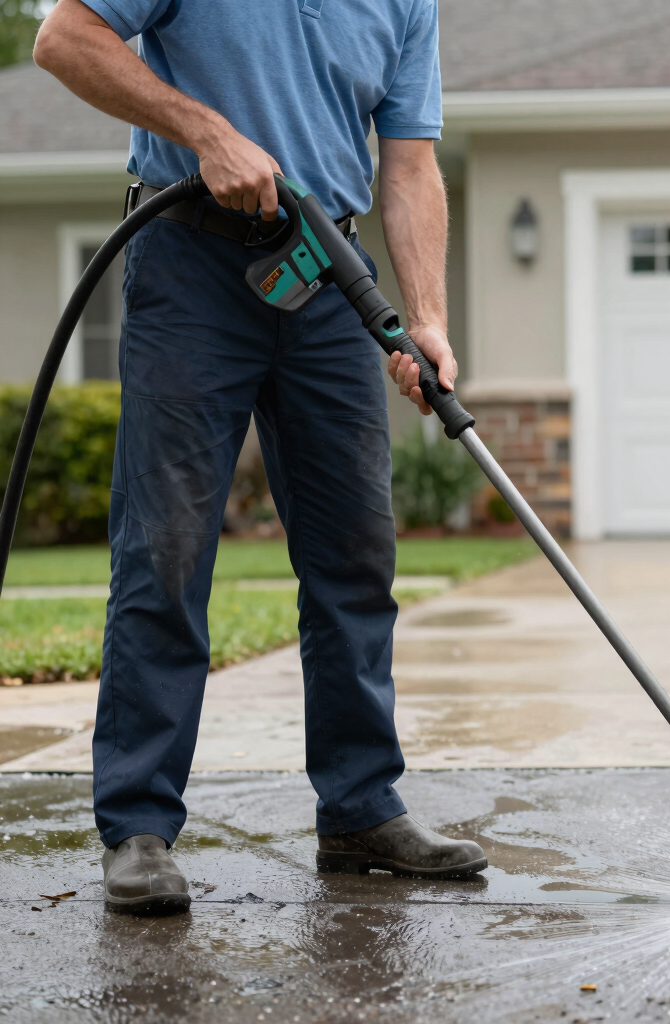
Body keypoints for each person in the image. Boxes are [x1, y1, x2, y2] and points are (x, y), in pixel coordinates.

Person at [33, 0, 486, 915]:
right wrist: (205, 130)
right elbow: (62, 37)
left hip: (324, 274)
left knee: (356, 556)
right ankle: (139, 826)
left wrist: (427, 318)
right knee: (166, 550)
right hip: (189, 265)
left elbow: (408, 163)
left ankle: (361, 809)